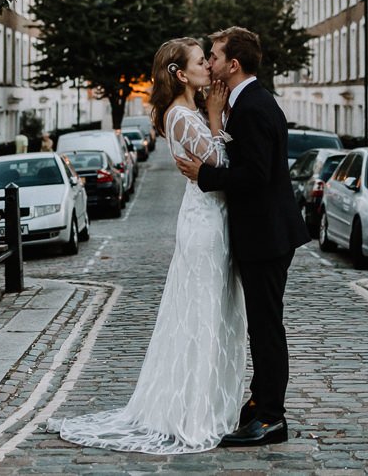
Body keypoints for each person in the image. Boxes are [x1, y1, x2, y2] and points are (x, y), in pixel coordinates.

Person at [46, 37, 247, 454]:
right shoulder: (181, 116)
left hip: (213, 218)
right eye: (199, 61)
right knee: (202, 312)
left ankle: (209, 403)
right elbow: (219, 161)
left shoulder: (189, 111)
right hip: (204, 224)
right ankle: (194, 413)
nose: (208, 67)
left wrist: (212, 114)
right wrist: (214, 117)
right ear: (179, 73)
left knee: (214, 310)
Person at [176, 26, 310, 447]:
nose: (210, 63)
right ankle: (260, 401)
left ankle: (271, 417)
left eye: (213, 56)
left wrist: (205, 175)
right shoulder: (247, 101)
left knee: (266, 328)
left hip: (266, 236)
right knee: (260, 326)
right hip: (264, 233)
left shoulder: (252, 106)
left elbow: (254, 175)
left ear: (233, 64)